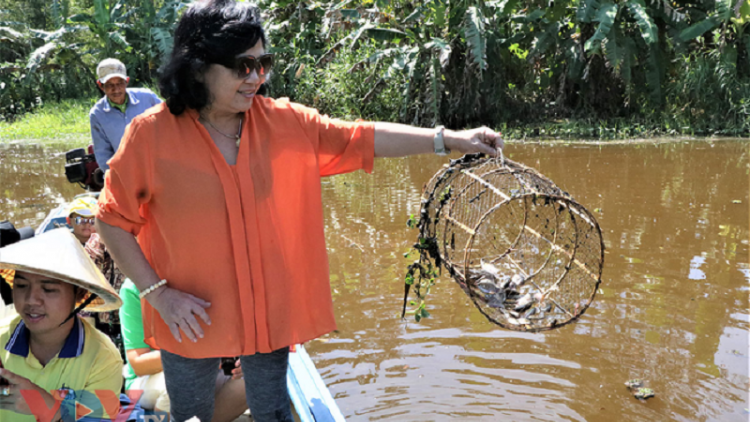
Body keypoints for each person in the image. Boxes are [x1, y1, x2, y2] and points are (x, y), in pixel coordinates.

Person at [94, 1, 503, 421]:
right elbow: (111, 220)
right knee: (192, 414)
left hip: (266, 310)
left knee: (271, 410)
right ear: (198, 66)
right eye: (242, 66)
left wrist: (450, 139)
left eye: (263, 63)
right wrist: (158, 294)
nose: (256, 77)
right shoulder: (152, 136)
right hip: (189, 315)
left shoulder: (281, 123)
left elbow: (359, 138)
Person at [0, 228, 123, 422]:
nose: (32, 300)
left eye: (49, 289)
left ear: (80, 295)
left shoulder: (102, 359)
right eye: (22, 286)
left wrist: (49, 409)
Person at [119, 278, 248, 419]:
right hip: (145, 380)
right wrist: (194, 352)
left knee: (253, 379)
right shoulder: (132, 288)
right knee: (180, 383)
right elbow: (138, 365)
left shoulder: (205, 279)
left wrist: (243, 361)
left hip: (209, 372)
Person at [89, 58, 162, 172]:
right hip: (128, 172)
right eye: (109, 85)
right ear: (100, 85)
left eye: (120, 83)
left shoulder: (148, 98)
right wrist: (115, 179)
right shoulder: (97, 114)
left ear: (127, 81)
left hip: (159, 165)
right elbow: (103, 154)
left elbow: (170, 124)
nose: (116, 89)